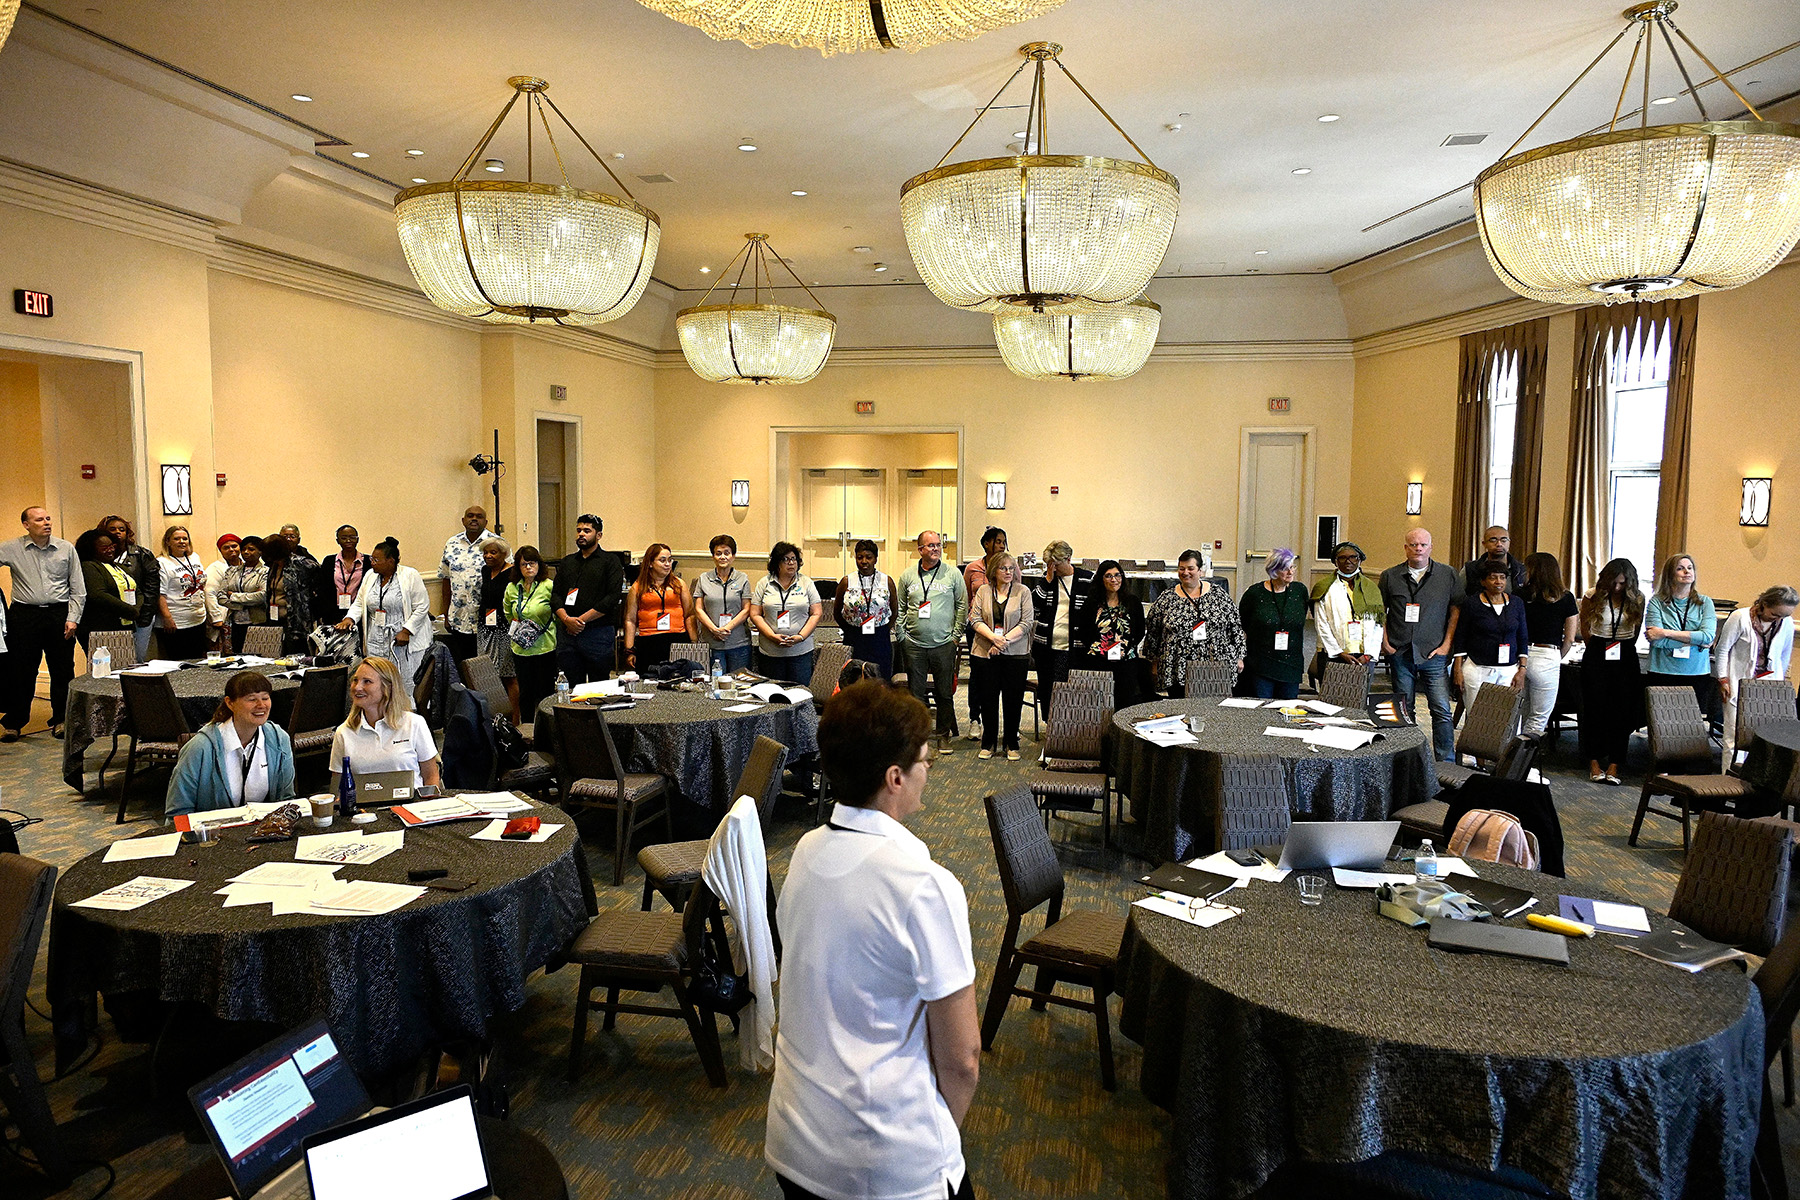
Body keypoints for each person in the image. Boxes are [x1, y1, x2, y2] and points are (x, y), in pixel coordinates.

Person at [765, 681, 979, 1200]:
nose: (929, 772)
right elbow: (962, 1058)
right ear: (895, 777)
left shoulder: (805, 853)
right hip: (882, 1165)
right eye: (925, 761)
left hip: (794, 1140)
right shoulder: (925, 886)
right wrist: (932, 1140)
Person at [164, 671, 296, 818]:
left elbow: (286, 800)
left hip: (264, 833)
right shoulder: (200, 748)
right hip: (211, 836)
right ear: (230, 703)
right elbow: (177, 812)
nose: (261, 705)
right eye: (251, 699)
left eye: (265, 698)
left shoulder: (279, 740)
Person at [1378, 528, 1461, 762]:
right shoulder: (1389, 576)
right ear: (1405, 548)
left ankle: (1445, 760)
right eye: (1413, 545)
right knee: (1403, 709)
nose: (1418, 549)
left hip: (1434, 653)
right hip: (1400, 651)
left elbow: (1455, 611)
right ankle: (1407, 759)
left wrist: (1446, 646)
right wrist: (1385, 643)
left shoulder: (1448, 575)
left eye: (1423, 545)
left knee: (1441, 710)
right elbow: (1379, 612)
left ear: (1431, 547)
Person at [898, 531, 969, 753]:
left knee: (944, 693)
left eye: (938, 545)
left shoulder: (952, 574)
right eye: (930, 546)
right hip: (914, 644)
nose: (936, 549)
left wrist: (955, 636)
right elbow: (900, 608)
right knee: (916, 693)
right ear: (920, 550)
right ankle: (919, 736)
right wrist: (902, 636)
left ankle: (943, 735)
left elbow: (962, 606)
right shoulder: (908, 576)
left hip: (943, 643)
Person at [1577, 557, 1646, 784]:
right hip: (1598, 650)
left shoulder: (1637, 598)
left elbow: (1635, 632)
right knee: (1594, 708)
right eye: (1613, 583)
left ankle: (1615, 764)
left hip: (1625, 653)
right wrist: (1598, 650)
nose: (1617, 588)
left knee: (1622, 711)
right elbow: (1586, 630)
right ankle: (1594, 762)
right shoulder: (1592, 596)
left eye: (1622, 584)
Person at [1144, 549, 1246, 698]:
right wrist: (1153, 661)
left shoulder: (1218, 595)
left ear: (1200, 570)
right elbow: (1153, 631)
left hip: (1214, 666)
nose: (1186, 572)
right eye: (1182, 568)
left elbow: (1235, 626)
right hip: (1177, 667)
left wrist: (1239, 656)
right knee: (1181, 711)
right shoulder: (1166, 598)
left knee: (1213, 712)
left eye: (1190, 568)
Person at [1715, 585, 1797, 768]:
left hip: (1768, 688)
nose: (1779, 619)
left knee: (1763, 739)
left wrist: (1779, 686)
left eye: (1784, 616)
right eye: (1775, 614)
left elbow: (1784, 656)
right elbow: (1722, 650)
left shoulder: (1787, 623)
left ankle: (1755, 784)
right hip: (1738, 685)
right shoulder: (1740, 617)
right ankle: (1729, 780)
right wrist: (1723, 679)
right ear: (1764, 604)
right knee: (1734, 737)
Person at [329, 656, 441, 791]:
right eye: (355, 680)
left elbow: (431, 776)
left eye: (367, 682)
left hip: (411, 806)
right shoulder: (344, 732)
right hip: (363, 810)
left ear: (387, 688)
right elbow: (337, 788)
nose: (357, 687)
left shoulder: (414, 724)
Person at [338, 538, 434, 692]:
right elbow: (360, 602)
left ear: (390, 561)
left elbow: (422, 607)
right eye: (371, 559)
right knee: (378, 680)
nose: (372, 563)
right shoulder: (370, 575)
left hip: (402, 640)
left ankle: (406, 713)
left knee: (403, 682)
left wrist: (406, 630)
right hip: (375, 637)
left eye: (376, 560)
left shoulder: (410, 575)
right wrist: (350, 618)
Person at [969, 551, 1034, 760]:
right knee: (988, 699)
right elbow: (975, 619)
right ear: (993, 571)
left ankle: (1011, 743)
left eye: (1011, 568)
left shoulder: (1023, 591)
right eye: (1003, 568)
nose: (1008, 572)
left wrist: (1003, 641)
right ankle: (988, 742)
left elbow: (1026, 623)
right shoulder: (983, 591)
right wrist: (993, 639)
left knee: (1012, 700)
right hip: (985, 653)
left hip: (1015, 654)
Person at [1644, 553, 1717, 719]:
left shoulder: (1705, 602)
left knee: (1689, 725)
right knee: (1662, 722)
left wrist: (1666, 632)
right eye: (1680, 568)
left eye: (1690, 568)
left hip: (1696, 672)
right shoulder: (1656, 602)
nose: (1687, 572)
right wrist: (1694, 640)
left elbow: (1707, 636)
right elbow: (1657, 642)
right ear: (1670, 574)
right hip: (1662, 671)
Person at [553, 514, 623, 685]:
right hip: (568, 635)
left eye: (587, 531)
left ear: (598, 535)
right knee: (571, 685)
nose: (581, 535)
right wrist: (567, 620)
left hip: (597, 632)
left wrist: (580, 621)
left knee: (598, 686)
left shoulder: (610, 561)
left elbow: (612, 598)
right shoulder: (568, 562)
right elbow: (555, 596)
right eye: (578, 531)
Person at [1451, 563, 1529, 713]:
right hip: (1478, 668)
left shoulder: (1516, 603)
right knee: (1478, 716)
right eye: (1493, 578)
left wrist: (1522, 669)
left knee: (1505, 716)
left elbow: (1522, 636)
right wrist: (1457, 670)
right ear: (1483, 582)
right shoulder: (1472, 603)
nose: (1498, 582)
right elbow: (1461, 636)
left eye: (1502, 578)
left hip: (1509, 670)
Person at [1028, 541, 1091, 720]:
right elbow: (1033, 606)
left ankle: (1070, 727)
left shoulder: (1086, 579)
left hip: (1076, 647)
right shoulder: (1047, 580)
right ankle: (1051, 726)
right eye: (1049, 564)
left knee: (1072, 690)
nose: (1052, 567)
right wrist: (1047, 579)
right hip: (1046, 646)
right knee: (1048, 689)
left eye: (1056, 563)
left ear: (1068, 559)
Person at [1518, 551, 1579, 739]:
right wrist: (1556, 657)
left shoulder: (1518, 594)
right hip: (1547, 654)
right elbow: (1569, 638)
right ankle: (1524, 762)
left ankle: (1507, 759)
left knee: (1519, 713)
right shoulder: (1566, 598)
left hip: (1520, 656)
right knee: (1538, 717)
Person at [1074, 560, 1148, 709]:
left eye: (1117, 575)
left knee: (1124, 704)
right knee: (1099, 705)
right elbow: (1083, 631)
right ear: (1101, 579)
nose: (1114, 580)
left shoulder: (1132, 602)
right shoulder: (1092, 603)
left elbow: (1139, 630)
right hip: (1098, 662)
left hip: (1126, 662)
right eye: (1108, 576)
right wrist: (1100, 650)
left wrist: (1126, 648)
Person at [1310, 541, 1384, 686]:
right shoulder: (1324, 587)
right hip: (1333, 654)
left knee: (1359, 701)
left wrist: (1369, 654)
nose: (1348, 561)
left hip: (1364, 655)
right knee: (1332, 701)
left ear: (1359, 560)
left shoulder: (1371, 588)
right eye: (1342, 558)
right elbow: (1321, 624)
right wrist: (1339, 652)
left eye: (1353, 557)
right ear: (1335, 562)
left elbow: (1378, 625)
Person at [1239, 548, 1309, 699]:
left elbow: (1300, 621)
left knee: (1288, 711)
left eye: (1292, 567)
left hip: (1291, 664)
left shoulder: (1300, 591)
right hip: (1261, 664)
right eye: (1285, 568)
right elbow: (1242, 624)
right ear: (1274, 571)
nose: (1291, 572)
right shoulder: (1255, 594)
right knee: (1261, 710)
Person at [751, 542, 823, 685]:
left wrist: (801, 637)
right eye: (785, 559)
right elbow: (755, 614)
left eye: (793, 559)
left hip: (800, 651)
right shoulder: (764, 583)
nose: (791, 563)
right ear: (776, 562)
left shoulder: (806, 583)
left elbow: (816, 613)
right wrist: (772, 636)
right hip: (771, 651)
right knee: (773, 694)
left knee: (800, 693)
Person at [960, 526, 1006, 741]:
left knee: (1003, 676)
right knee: (978, 675)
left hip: (1002, 630)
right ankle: (974, 719)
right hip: (978, 628)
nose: (1001, 545)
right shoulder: (973, 568)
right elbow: (968, 599)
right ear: (986, 543)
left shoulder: (1009, 567)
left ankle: (1004, 725)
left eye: (1004, 541)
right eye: (997, 541)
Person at [505, 546, 559, 718]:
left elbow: (558, 613)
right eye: (524, 564)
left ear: (539, 565)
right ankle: (527, 727)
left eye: (532, 563)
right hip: (521, 647)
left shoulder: (548, 586)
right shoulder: (512, 588)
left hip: (545, 646)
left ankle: (547, 729)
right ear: (518, 567)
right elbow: (508, 612)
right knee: (525, 691)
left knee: (545, 691)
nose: (528, 567)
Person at [439, 505, 498, 661]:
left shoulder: (496, 544)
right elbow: (446, 579)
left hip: (488, 618)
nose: (474, 519)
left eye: (478, 516)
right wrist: (445, 614)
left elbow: (507, 578)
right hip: (458, 617)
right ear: (463, 520)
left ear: (485, 522)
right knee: (462, 664)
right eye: (470, 515)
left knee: (486, 667)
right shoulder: (452, 543)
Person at [833, 538, 897, 679]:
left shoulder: (887, 581)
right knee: (854, 680)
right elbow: (836, 612)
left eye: (869, 557)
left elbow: (894, 610)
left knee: (880, 680)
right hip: (854, 636)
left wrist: (885, 629)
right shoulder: (846, 581)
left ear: (875, 559)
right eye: (860, 557)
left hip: (879, 638)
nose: (864, 561)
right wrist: (849, 629)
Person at [691, 534, 754, 676]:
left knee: (740, 685)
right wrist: (714, 630)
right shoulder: (704, 579)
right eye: (718, 553)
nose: (723, 557)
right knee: (714, 685)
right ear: (713, 556)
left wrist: (726, 628)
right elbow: (698, 609)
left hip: (738, 643)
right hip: (712, 642)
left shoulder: (742, 578)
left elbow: (746, 609)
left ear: (733, 556)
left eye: (727, 553)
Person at [101, 515, 159, 663]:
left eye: (122, 529)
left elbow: (152, 588)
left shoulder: (142, 554)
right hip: (111, 619)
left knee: (137, 659)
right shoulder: (98, 557)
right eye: (112, 529)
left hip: (140, 616)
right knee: (114, 661)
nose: (117, 532)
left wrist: (144, 615)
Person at [624, 543, 688, 672]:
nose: (667, 564)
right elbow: (630, 620)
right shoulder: (637, 588)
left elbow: (689, 615)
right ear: (650, 563)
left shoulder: (679, 584)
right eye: (662, 560)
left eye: (670, 560)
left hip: (677, 639)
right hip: (649, 641)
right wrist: (629, 649)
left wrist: (693, 642)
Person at [73, 528, 138, 653]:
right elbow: (97, 594)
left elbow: (137, 590)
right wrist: (129, 610)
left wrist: (137, 608)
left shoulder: (119, 567)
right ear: (91, 549)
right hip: (100, 627)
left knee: (124, 665)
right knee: (104, 668)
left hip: (124, 625)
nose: (111, 550)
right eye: (104, 547)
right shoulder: (88, 566)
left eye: (112, 546)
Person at [475, 538, 519, 716]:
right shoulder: (485, 571)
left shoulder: (512, 573)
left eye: (493, 552)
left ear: (504, 554)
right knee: (486, 674)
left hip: (504, 629)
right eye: (485, 552)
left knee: (508, 675)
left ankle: (515, 718)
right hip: (485, 628)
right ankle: (493, 717)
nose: (488, 556)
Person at [155, 525, 211, 660]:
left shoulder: (194, 557)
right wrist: (167, 618)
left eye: (185, 538)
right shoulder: (162, 562)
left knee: (197, 662)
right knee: (180, 663)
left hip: (198, 619)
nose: (182, 542)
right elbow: (159, 594)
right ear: (168, 542)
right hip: (176, 623)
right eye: (177, 539)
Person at [260, 532, 319, 655]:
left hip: (295, 621)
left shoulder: (301, 564)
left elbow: (319, 578)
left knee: (295, 655)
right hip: (275, 619)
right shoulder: (274, 566)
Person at [223, 536, 269, 652]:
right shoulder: (232, 571)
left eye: (251, 549)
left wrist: (233, 596)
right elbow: (220, 596)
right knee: (238, 656)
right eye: (243, 549)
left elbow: (262, 596)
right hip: (236, 622)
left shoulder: (265, 571)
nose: (246, 552)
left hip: (257, 622)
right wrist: (242, 604)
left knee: (258, 657)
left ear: (260, 552)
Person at [320, 525, 373, 620]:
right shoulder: (329, 561)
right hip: (333, 612)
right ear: (337, 541)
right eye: (344, 538)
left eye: (352, 537)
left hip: (359, 611)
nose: (348, 541)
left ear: (357, 540)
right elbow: (323, 588)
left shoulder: (368, 562)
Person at [1461, 525, 1529, 595]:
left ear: (1509, 543)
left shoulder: (1522, 570)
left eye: (1503, 540)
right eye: (1493, 540)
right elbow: (1459, 598)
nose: (1499, 544)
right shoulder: (1470, 568)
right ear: (1484, 544)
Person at [204, 534, 243, 653]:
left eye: (234, 546)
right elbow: (209, 593)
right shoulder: (215, 568)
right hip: (225, 617)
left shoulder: (246, 564)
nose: (231, 550)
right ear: (220, 551)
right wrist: (216, 618)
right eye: (226, 547)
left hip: (243, 615)